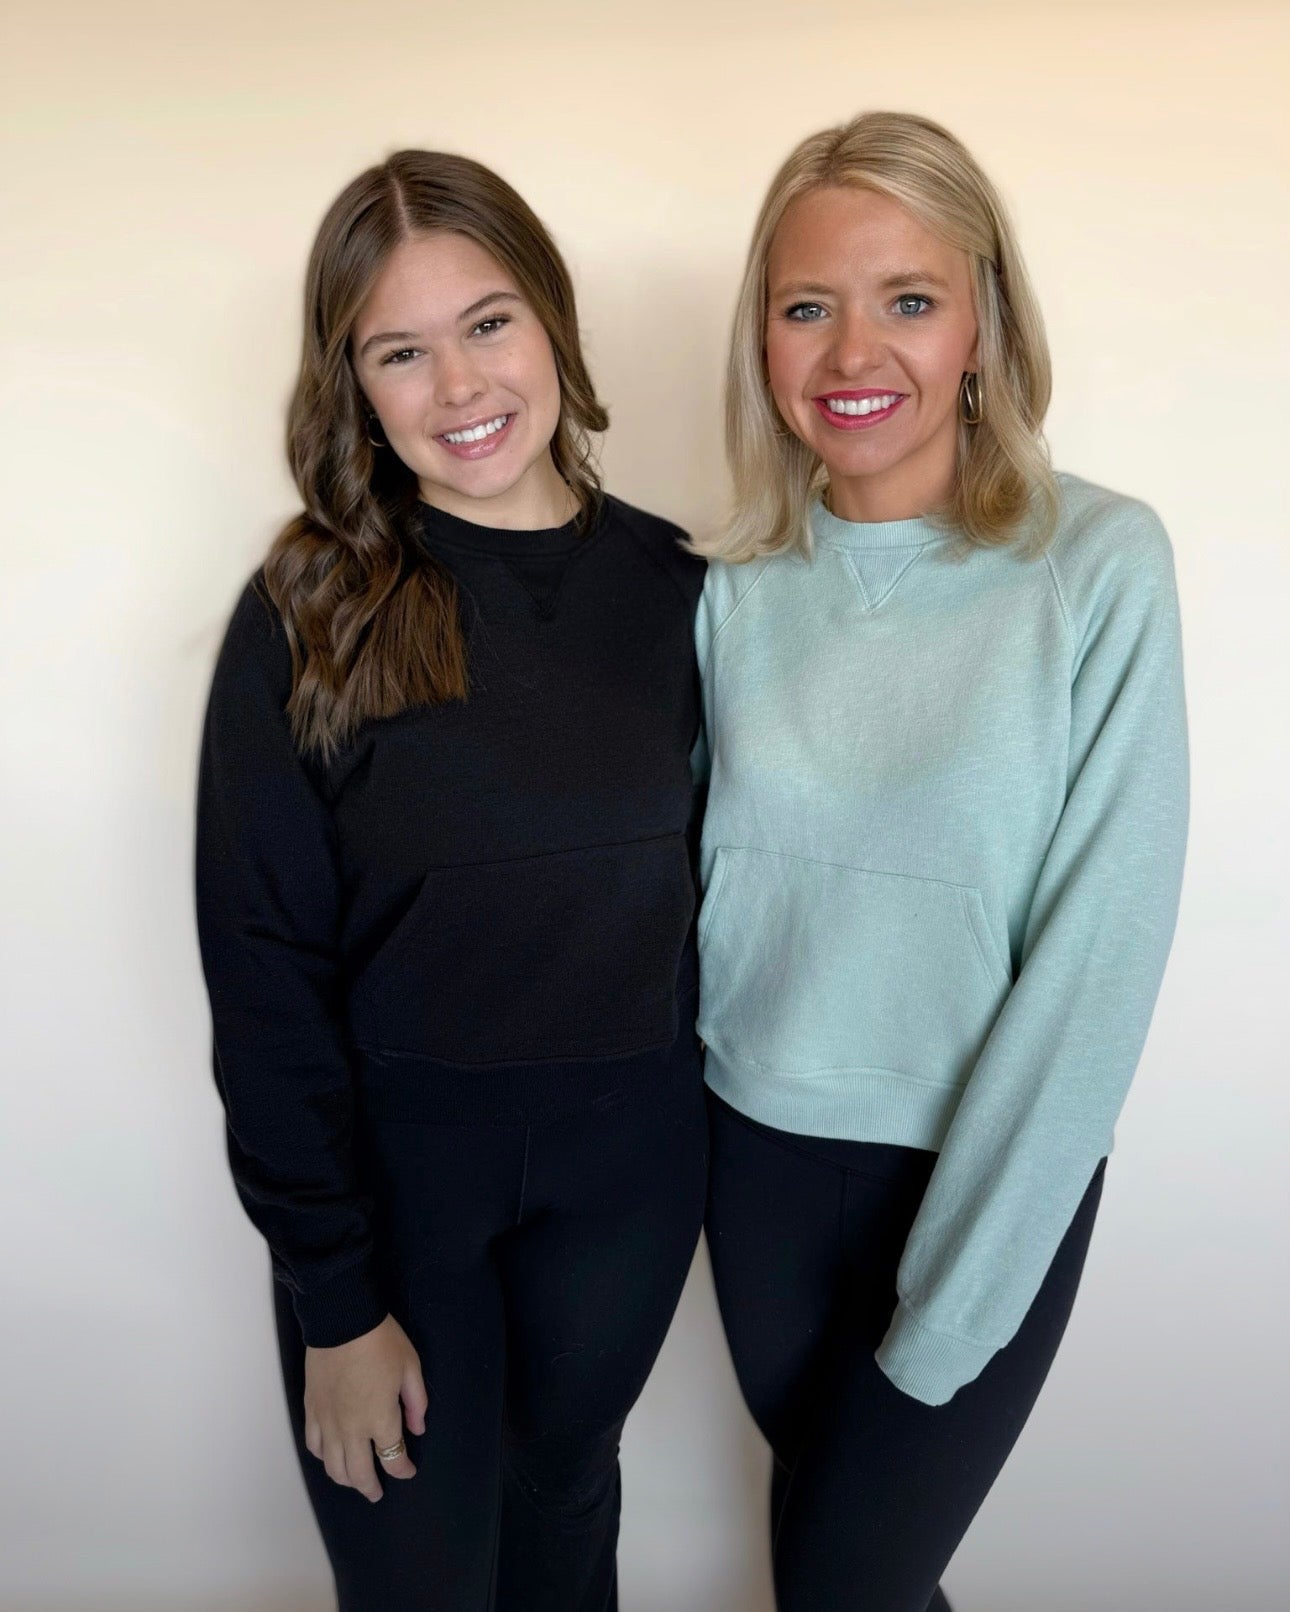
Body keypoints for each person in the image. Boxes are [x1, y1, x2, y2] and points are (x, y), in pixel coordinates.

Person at [194, 149, 707, 1612]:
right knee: (419, 1579)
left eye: (488, 323)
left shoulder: (685, 592)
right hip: (398, 1203)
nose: (458, 385)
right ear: (351, 384)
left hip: (627, 1189)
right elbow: (261, 968)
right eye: (398, 351)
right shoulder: (310, 610)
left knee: (564, 1537)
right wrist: (334, 1302)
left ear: (550, 321)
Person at [690, 111, 1189, 1611]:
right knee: (854, 1582)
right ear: (760, 342)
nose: (853, 352)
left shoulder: (1096, 564)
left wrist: (965, 1283)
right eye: (805, 306)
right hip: (752, 1161)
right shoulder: (727, 591)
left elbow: (1100, 950)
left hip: (990, 1165)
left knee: (840, 1583)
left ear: (981, 322)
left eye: (907, 298)